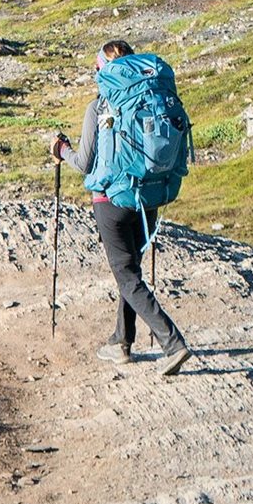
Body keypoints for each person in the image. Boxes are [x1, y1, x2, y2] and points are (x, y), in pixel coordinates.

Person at [52, 37, 193, 376]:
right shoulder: (152, 99)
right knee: (130, 274)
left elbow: (85, 163)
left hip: (111, 200)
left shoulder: (100, 106)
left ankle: (172, 343)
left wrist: (60, 150)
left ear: (103, 69)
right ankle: (121, 342)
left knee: (127, 275)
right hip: (149, 196)